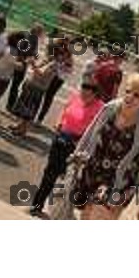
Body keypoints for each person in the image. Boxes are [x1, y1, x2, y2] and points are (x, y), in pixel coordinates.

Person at [51, 73, 139, 220]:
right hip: (94, 169)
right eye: (128, 91)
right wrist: (76, 158)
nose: (130, 97)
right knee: (87, 213)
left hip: (120, 178)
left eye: (137, 95)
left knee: (102, 215)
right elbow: (91, 132)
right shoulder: (111, 108)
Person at [30, 81, 104, 217]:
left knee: (70, 181)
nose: (83, 97)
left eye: (87, 95)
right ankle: (36, 205)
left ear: (95, 95)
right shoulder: (75, 97)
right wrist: (59, 122)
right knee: (49, 174)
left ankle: (62, 211)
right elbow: (65, 110)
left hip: (77, 146)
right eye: (82, 93)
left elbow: (98, 130)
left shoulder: (100, 108)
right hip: (61, 139)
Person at [9, 43, 67, 136]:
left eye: (47, 50)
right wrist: (34, 64)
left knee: (28, 110)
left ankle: (23, 130)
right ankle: (19, 125)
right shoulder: (48, 61)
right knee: (24, 108)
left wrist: (32, 64)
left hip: (37, 88)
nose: (45, 52)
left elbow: (41, 74)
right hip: (33, 85)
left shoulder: (53, 64)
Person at [7, 23, 45, 112]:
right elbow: (21, 52)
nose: (41, 35)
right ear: (37, 32)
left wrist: (35, 55)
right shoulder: (28, 38)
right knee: (14, 84)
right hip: (20, 62)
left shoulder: (32, 38)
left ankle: (11, 104)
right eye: (40, 33)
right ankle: (11, 105)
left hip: (21, 62)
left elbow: (33, 51)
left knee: (14, 84)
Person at [36, 38, 73, 124]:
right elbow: (47, 59)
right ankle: (37, 117)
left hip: (57, 78)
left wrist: (63, 65)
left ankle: (40, 118)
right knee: (43, 95)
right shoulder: (55, 50)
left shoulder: (68, 55)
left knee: (48, 96)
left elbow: (69, 69)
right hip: (51, 76)